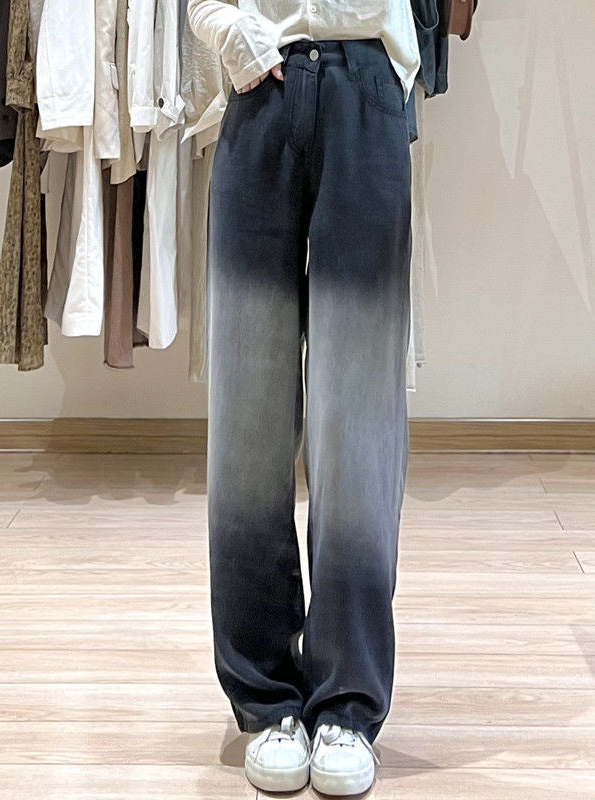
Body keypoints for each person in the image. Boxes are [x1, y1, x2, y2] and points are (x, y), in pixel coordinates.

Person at [187, 1, 420, 795]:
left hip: (368, 87)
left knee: (357, 421)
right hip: (262, 87)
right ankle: (264, 697)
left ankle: (347, 701)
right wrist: (228, 32)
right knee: (248, 414)